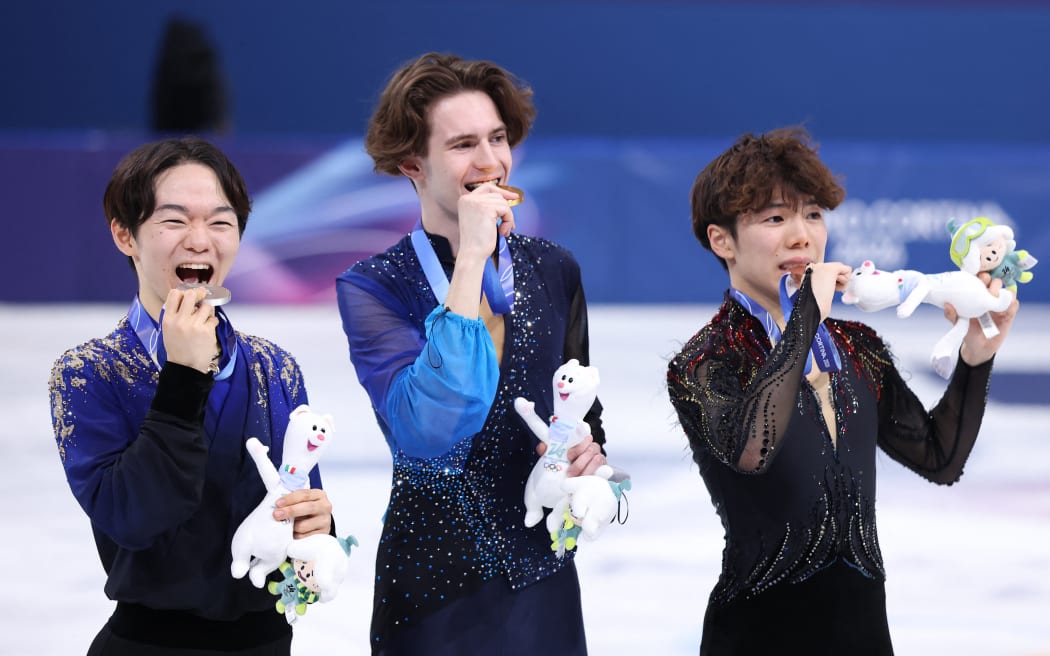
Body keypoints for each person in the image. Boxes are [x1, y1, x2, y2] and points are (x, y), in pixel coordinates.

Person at [666, 127, 1019, 655]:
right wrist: (803, 317)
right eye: (775, 218)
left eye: (812, 214)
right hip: (755, 638)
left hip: (863, 637)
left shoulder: (859, 349)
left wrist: (976, 355)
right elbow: (751, 449)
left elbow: (939, 457)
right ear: (722, 240)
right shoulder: (703, 362)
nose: (802, 236)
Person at [336, 53, 616, 655]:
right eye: (464, 144)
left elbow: (582, 408)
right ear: (413, 163)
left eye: (497, 138)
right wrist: (469, 258)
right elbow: (428, 426)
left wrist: (585, 455)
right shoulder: (373, 286)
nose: (490, 161)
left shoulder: (553, 269)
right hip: (433, 595)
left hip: (544, 587)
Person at [49, 136, 334, 655]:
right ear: (124, 235)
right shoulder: (88, 373)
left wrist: (318, 524)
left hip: (266, 644)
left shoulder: (276, 368)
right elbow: (133, 518)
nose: (201, 240)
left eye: (221, 222)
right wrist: (183, 377)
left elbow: (294, 510)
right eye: (175, 220)